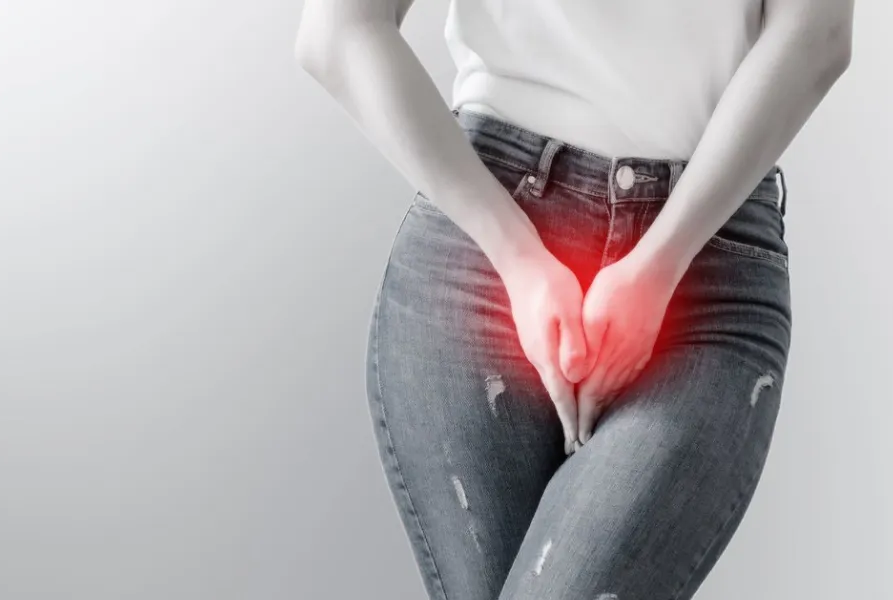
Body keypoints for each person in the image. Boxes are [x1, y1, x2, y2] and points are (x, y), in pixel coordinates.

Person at [295, 0, 852, 597]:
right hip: (484, 252)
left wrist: (662, 257)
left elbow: (816, 34)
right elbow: (336, 33)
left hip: (706, 273)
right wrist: (519, 258)